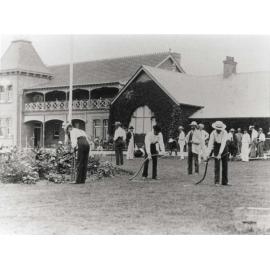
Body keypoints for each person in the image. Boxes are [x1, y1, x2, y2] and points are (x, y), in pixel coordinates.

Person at [207, 121, 229, 186]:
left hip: (224, 147)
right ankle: (217, 182)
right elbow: (210, 144)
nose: (218, 131)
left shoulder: (225, 132)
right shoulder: (212, 133)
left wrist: (220, 154)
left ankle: (225, 182)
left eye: (220, 129)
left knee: (225, 165)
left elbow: (223, 143)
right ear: (215, 128)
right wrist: (208, 154)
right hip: (216, 147)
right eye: (217, 129)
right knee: (217, 165)